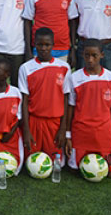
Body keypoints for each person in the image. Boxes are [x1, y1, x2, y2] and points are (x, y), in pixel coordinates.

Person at [65, 39, 111, 174]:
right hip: (81, 133)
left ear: (102, 55)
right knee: (74, 171)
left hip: (104, 134)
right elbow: (70, 108)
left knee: (109, 173)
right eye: (87, 55)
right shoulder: (74, 78)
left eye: (94, 55)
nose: (90, 59)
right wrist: (68, 136)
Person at [18, 28, 71, 161]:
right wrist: (26, 130)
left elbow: (66, 99)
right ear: (34, 44)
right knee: (31, 161)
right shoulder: (26, 68)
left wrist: (63, 128)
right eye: (40, 45)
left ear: (53, 45)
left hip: (55, 123)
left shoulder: (64, 67)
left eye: (47, 45)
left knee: (55, 163)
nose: (43, 48)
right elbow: (24, 100)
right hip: (34, 121)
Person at [22, 0, 77, 65]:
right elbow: (27, 22)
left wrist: (73, 48)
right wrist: (28, 49)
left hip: (62, 47)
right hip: (39, 47)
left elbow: (73, 22)